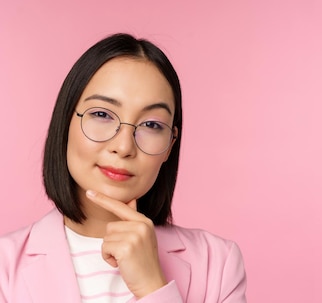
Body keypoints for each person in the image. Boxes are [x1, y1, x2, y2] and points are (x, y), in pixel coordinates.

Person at [0, 33, 247, 302]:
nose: (124, 146)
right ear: (65, 120)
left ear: (170, 145)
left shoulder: (218, 263)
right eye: (102, 114)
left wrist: (152, 286)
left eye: (152, 125)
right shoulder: (4, 266)